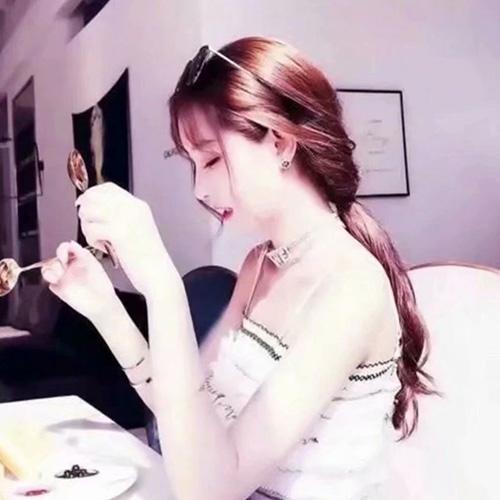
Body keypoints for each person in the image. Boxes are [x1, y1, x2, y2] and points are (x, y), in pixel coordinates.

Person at [42, 37, 435, 500]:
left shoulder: (352, 286)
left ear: (280, 142)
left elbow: (211, 489)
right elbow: (189, 417)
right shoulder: (258, 265)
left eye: (211, 159)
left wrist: (163, 284)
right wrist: (106, 310)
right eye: (193, 165)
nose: (199, 189)